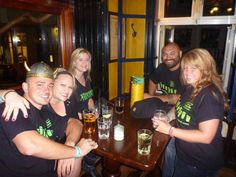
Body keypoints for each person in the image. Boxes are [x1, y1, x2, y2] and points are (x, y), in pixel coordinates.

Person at [0, 61, 98, 177]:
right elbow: (29, 145)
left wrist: (70, 145)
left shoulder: (45, 113)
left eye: (50, 85)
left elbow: (75, 122)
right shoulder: (14, 107)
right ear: (26, 87)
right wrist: (76, 151)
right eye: (40, 84)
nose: (46, 90)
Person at [152, 48, 228, 177]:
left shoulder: (209, 95)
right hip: (185, 156)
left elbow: (206, 136)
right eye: (185, 68)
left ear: (205, 69)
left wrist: (169, 130)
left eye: (194, 68)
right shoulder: (191, 87)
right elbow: (178, 107)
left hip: (198, 164)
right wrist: (167, 117)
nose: (187, 72)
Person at [145, 42, 185, 177]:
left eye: (172, 53)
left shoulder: (186, 72)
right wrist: (152, 96)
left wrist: (155, 97)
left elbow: (180, 99)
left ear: (180, 54)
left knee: (169, 148)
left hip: (180, 114)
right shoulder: (162, 68)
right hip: (164, 110)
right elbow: (152, 79)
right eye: (164, 54)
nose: (167, 57)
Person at [41, 68, 84, 177]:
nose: (67, 90)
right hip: (46, 149)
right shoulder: (40, 102)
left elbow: (76, 123)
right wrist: (8, 94)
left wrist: (70, 148)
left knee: (79, 153)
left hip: (68, 142)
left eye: (70, 87)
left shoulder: (69, 101)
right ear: (52, 84)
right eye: (63, 85)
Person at [68, 48, 100, 177]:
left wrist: (93, 111)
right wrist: (83, 116)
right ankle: (88, 164)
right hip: (72, 122)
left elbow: (89, 98)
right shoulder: (69, 81)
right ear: (74, 62)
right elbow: (65, 109)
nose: (84, 62)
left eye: (87, 60)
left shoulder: (86, 79)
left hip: (86, 119)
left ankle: (89, 158)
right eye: (80, 59)